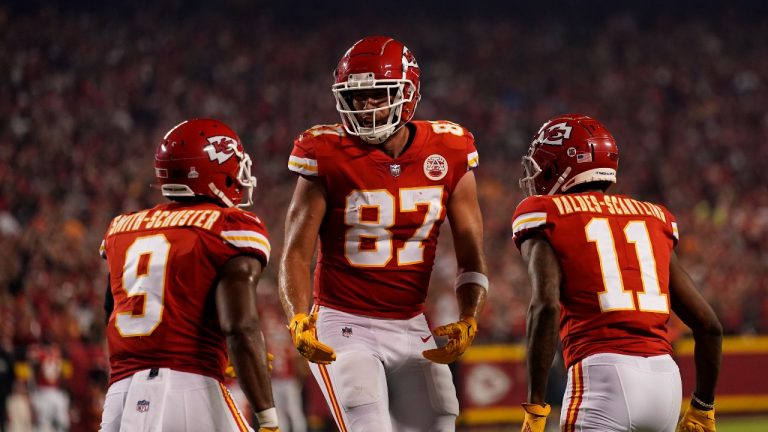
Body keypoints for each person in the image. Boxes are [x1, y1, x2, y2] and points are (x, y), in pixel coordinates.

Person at [278, 36, 488, 432]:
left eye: (378, 94)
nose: (366, 106)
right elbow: (295, 252)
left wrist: (469, 316)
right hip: (343, 320)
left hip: (411, 322)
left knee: (441, 418)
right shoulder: (325, 152)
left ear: (407, 93)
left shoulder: (450, 148)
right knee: (367, 417)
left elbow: (471, 252)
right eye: (357, 97)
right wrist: (298, 317)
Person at [511, 114, 722, 432]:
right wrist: (703, 406)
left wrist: (535, 405)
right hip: (665, 382)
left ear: (562, 166)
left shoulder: (545, 212)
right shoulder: (654, 217)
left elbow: (546, 307)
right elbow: (709, 327)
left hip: (601, 374)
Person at [98, 119, 279, 432]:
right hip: (190, 388)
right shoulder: (228, 226)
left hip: (120, 396)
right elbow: (240, 326)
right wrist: (267, 417)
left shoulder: (122, 227)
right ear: (215, 170)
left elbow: (110, 309)